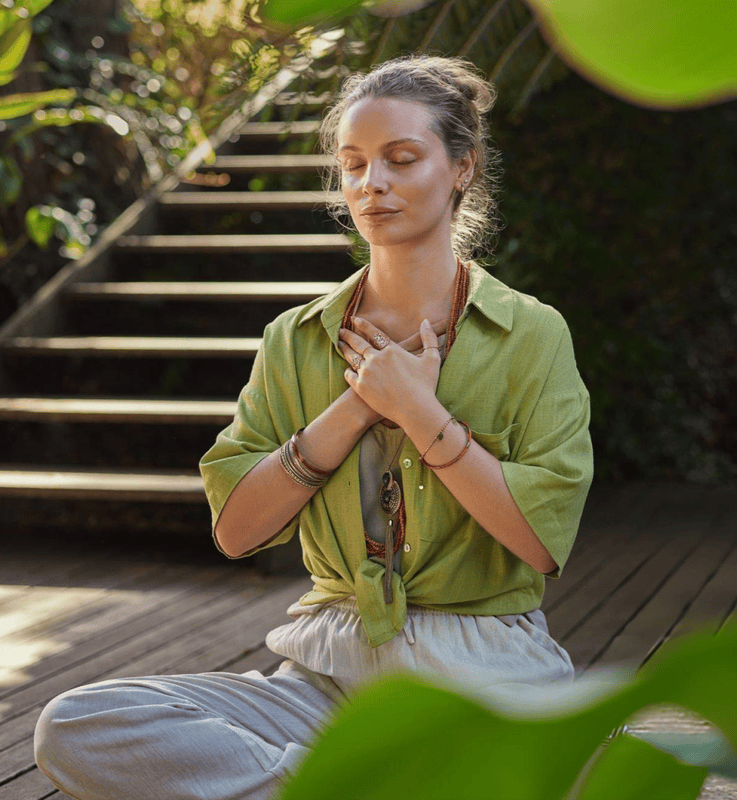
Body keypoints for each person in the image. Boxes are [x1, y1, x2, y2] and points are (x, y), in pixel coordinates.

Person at [34, 54, 594, 800]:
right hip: (326, 680)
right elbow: (236, 531)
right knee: (78, 724)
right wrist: (360, 403)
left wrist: (420, 413)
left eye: (401, 159)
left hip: (485, 676)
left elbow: (537, 538)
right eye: (354, 163)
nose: (372, 183)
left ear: (461, 168)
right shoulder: (294, 340)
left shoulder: (531, 334)